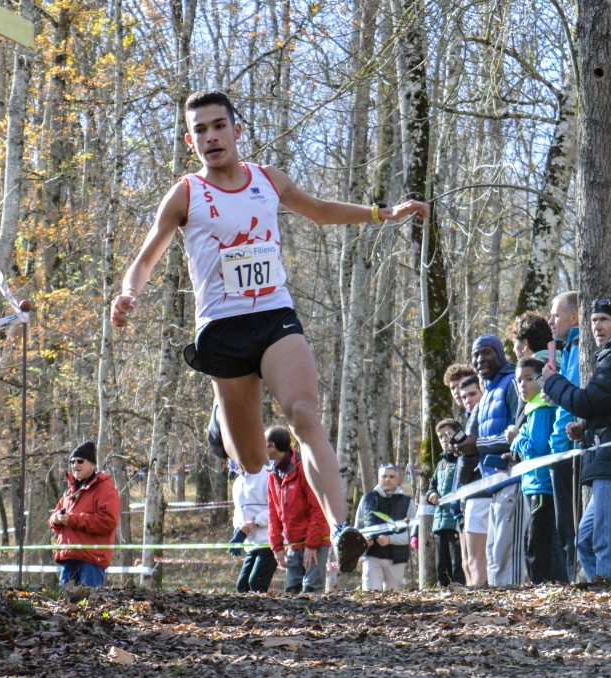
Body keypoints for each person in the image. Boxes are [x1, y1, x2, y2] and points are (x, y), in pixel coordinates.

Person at [111, 91, 429, 572]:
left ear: (237, 131)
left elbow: (320, 210)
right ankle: (221, 416)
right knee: (255, 460)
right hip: (221, 329)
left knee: (303, 413)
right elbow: (148, 255)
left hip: (275, 316)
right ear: (189, 139)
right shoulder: (186, 193)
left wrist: (382, 213)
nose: (211, 137)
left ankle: (341, 528)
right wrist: (128, 292)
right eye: (200, 130)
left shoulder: (267, 180)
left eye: (219, 126)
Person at [541, 297, 611, 582]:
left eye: (604, 319)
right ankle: (605, 600)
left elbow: (588, 401)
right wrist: (587, 429)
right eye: (593, 321)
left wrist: (553, 382)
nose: (597, 326)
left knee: (607, 543)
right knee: (588, 541)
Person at [457, 334, 524, 586]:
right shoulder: (486, 394)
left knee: (507, 552)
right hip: (492, 483)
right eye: (475, 355)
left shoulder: (510, 384)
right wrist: (464, 445)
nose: (480, 359)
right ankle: (500, 611)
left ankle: (516, 609)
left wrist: (479, 445)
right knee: (493, 553)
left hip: (512, 477)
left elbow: (517, 431)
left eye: (486, 352)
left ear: (499, 354)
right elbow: (474, 437)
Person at [506, 357, 566, 583]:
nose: (522, 385)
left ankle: (540, 586)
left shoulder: (541, 408)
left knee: (536, 543)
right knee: (539, 540)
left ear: (541, 380)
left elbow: (538, 449)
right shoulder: (532, 408)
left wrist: (516, 438)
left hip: (542, 486)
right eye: (518, 381)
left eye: (528, 379)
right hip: (533, 485)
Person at [265, 426, 330, 593]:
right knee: (291, 590)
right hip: (294, 544)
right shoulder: (273, 475)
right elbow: (273, 513)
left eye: (263, 444)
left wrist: (312, 544)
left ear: (272, 446)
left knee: (311, 589)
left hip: (315, 541)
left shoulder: (304, 468)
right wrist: (277, 547)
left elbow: (318, 509)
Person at [49, 442, 122, 588]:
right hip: (68, 559)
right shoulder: (70, 490)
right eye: (72, 461)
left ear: (93, 465)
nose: (75, 465)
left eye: (80, 461)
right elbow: (52, 522)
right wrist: (56, 519)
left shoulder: (105, 488)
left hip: (91, 561)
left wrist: (72, 519)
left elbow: (108, 522)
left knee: (90, 607)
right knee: (63, 607)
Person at [547, 291, 581, 581]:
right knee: (564, 528)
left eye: (556, 315)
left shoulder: (579, 347)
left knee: (571, 527)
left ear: (574, 317)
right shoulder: (567, 348)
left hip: (569, 451)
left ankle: (575, 581)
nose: (551, 321)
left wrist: (551, 384)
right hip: (559, 450)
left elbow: (572, 398)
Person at [355, 463, 416, 590]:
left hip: (397, 558)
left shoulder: (407, 502)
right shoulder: (366, 499)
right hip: (371, 555)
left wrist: (390, 539)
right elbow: (357, 529)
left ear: (397, 479)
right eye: (384, 476)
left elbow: (412, 533)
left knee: (392, 599)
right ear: (378, 478)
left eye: (391, 476)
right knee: (370, 595)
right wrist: (363, 541)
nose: (387, 479)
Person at [453, 373, 488, 585]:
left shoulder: (482, 416)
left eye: (472, 394)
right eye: (464, 397)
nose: (468, 400)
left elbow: (470, 457)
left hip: (483, 490)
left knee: (480, 558)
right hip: (471, 494)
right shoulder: (468, 420)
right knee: (470, 560)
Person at [425, 419, 466, 586]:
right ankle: (443, 590)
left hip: (456, 520)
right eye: (440, 437)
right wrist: (432, 494)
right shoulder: (440, 464)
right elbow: (431, 487)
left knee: (458, 561)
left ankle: (460, 590)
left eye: (448, 435)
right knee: (442, 564)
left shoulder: (462, 459)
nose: (444, 439)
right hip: (439, 522)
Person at [231, 462, 277, 592]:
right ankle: (245, 612)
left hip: (269, 542)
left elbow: (276, 508)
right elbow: (238, 512)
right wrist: (238, 530)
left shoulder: (267, 475)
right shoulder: (238, 482)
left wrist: (256, 522)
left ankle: (263, 611)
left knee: (256, 583)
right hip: (251, 544)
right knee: (242, 586)